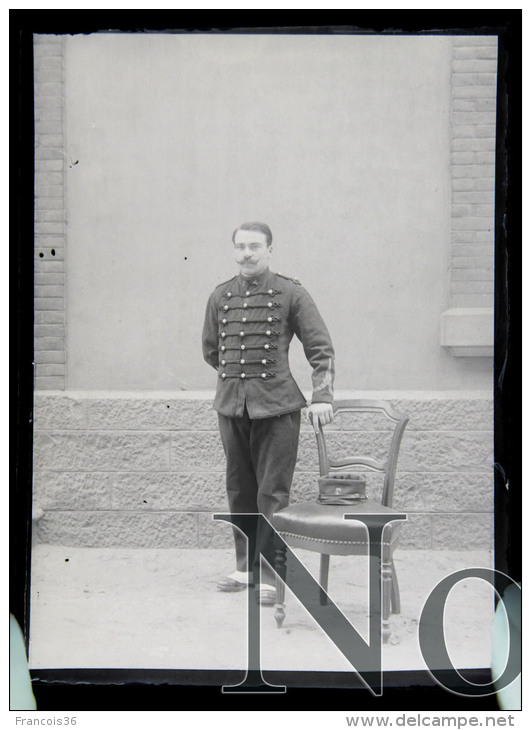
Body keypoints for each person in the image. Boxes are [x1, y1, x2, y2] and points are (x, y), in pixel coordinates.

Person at [202, 222, 335, 605]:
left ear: (269, 250)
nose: (247, 253)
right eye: (240, 246)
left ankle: (274, 575)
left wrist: (323, 395)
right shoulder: (221, 295)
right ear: (233, 250)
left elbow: (321, 348)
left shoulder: (291, 292)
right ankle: (246, 567)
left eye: (254, 246)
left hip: (277, 408)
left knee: (272, 493)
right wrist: (241, 387)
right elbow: (213, 351)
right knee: (239, 489)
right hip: (231, 406)